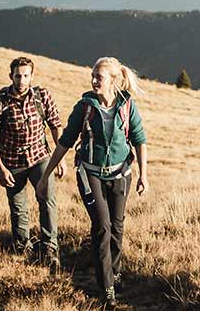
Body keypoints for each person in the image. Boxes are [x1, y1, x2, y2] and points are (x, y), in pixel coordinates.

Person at [38, 56, 148, 307]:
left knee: (117, 227)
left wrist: (143, 175)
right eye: (93, 76)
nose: (93, 80)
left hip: (121, 173)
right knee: (102, 226)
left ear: (113, 81)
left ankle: (114, 272)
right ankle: (106, 289)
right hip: (90, 174)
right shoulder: (84, 106)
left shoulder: (126, 105)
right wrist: (46, 176)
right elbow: (65, 141)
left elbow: (140, 139)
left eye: (98, 76)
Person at [0, 56, 65, 269]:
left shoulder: (42, 97)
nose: (21, 80)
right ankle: (23, 249)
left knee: (47, 200)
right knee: (18, 208)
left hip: (40, 157)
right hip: (12, 162)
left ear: (32, 76)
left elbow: (55, 125)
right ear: (11, 76)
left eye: (26, 75)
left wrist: (60, 158)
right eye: (18, 76)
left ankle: (49, 249)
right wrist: (1, 169)